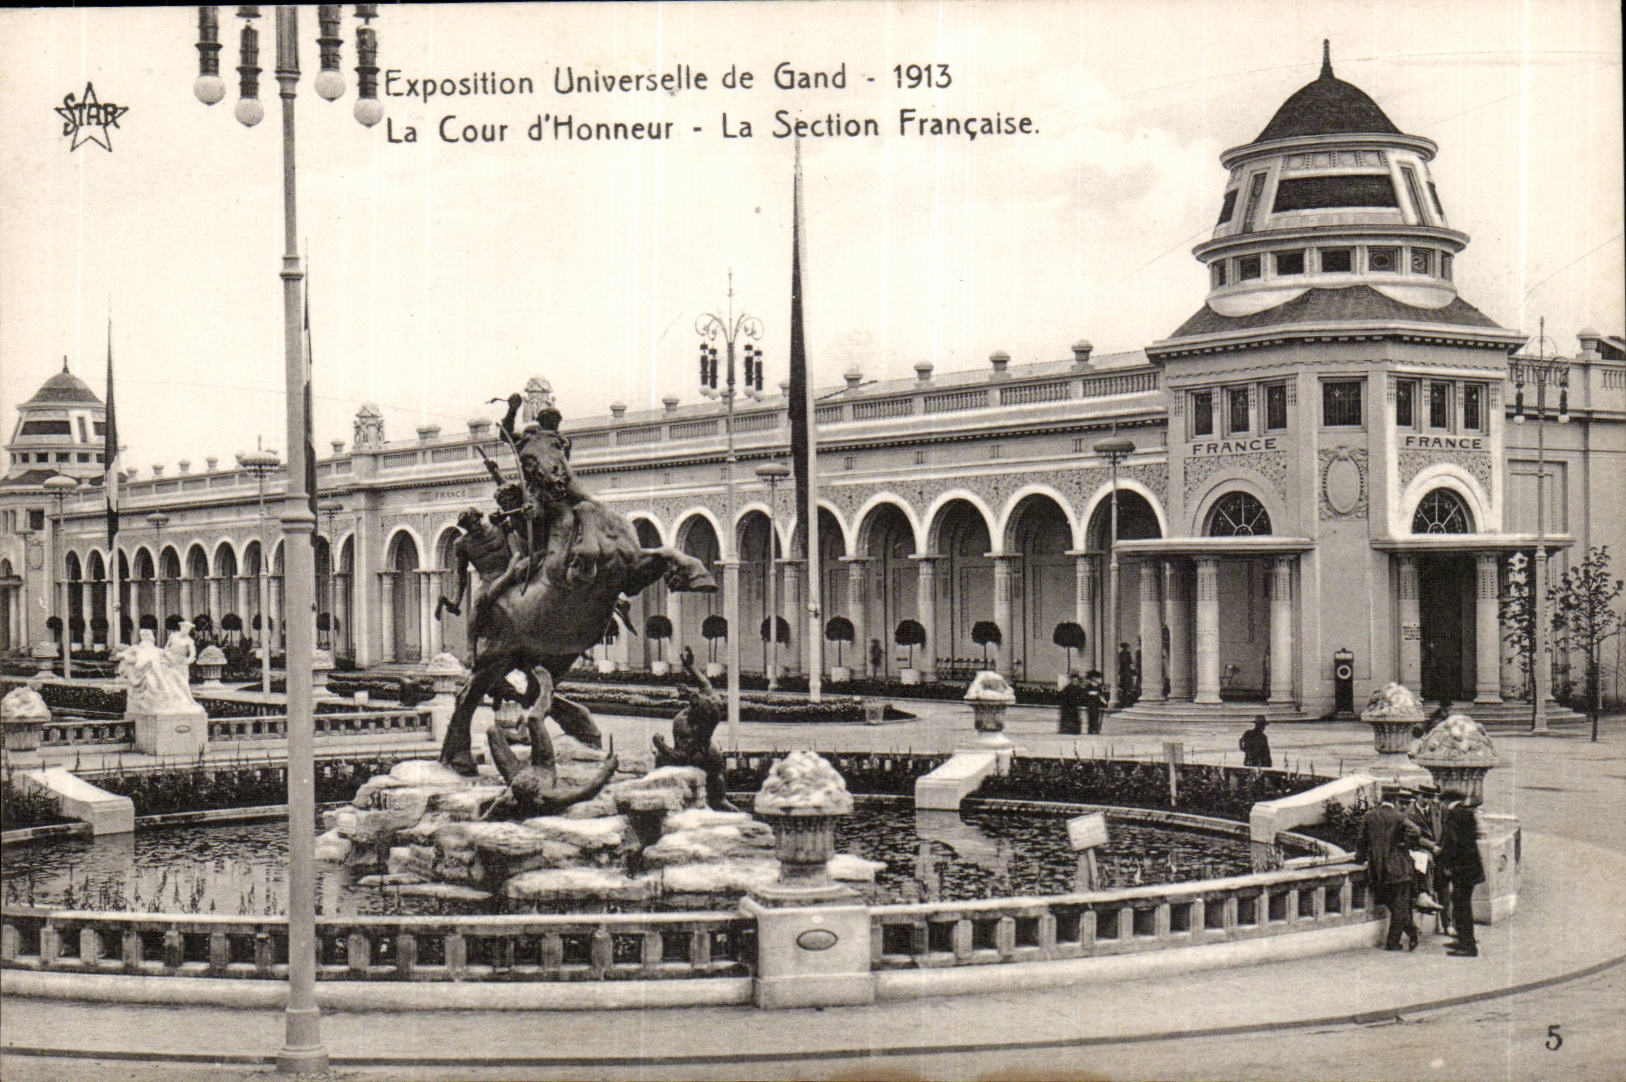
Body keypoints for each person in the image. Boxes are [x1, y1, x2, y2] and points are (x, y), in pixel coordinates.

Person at [1356, 793, 1422, 951]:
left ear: (1381, 800)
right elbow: (1416, 831)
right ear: (1395, 801)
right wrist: (1404, 844)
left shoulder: (1369, 816)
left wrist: (1360, 859)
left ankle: (1410, 933)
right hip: (1399, 867)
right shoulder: (1399, 817)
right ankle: (1399, 939)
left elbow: (1361, 841)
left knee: (1392, 903)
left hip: (1378, 869)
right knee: (1400, 906)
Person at [1437, 791, 1486, 957]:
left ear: (1447, 801)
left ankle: (1468, 946)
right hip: (1470, 867)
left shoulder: (1453, 815)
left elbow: (1453, 842)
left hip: (1462, 869)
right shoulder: (1467, 813)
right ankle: (1463, 940)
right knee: (1462, 904)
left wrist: (1447, 864)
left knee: (1461, 906)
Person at [1082, 669, 1107, 734]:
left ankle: (1096, 729)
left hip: (1096, 703)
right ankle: (1091, 729)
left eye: (1096, 677)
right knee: (1091, 716)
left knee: (1096, 716)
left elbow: (1101, 694)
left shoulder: (1098, 685)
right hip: (1090, 703)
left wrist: (1104, 701)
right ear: (1091, 678)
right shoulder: (1088, 685)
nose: (1094, 678)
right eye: (1093, 677)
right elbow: (1085, 693)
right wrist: (1090, 694)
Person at [1117, 642, 1136, 707]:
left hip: (1126, 671)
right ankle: (1124, 701)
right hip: (1124, 671)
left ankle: (1126, 701)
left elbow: (1130, 662)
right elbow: (1124, 662)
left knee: (1127, 687)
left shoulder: (1126, 654)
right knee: (1124, 687)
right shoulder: (1122, 654)